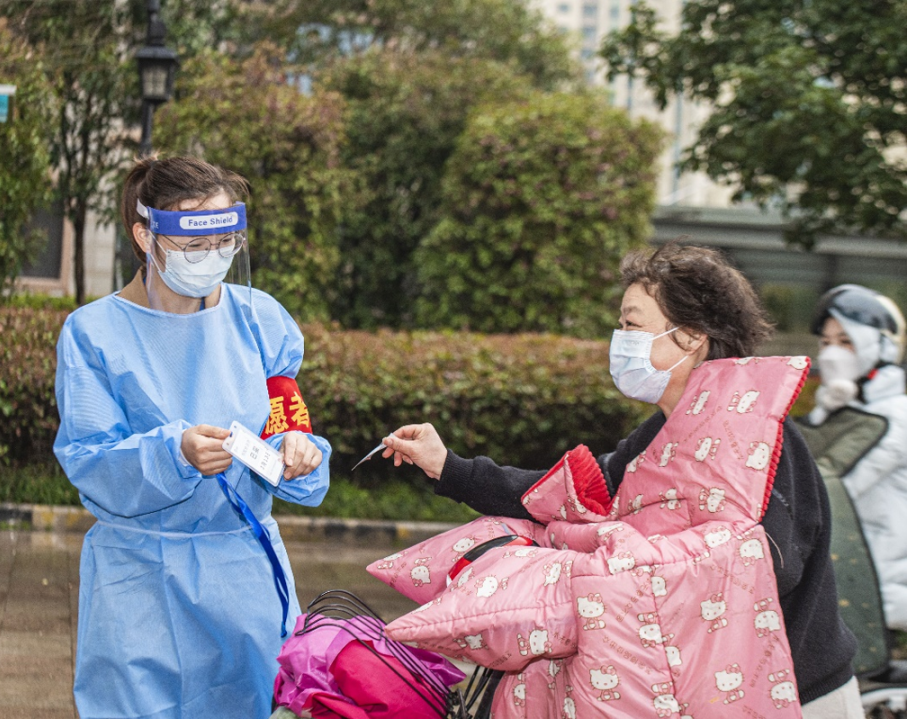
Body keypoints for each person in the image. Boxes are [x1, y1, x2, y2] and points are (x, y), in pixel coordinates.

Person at [381, 242, 863, 717]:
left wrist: (616, 569)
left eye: (633, 325)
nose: (620, 338)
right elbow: (571, 499)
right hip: (711, 692)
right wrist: (448, 466)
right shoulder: (659, 434)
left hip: (799, 693)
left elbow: (770, 564)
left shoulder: (757, 430)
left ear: (691, 335)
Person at [54, 155, 331, 719]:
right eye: (195, 244)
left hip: (244, 578)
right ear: (146, 235)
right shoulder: (93, 334)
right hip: (139, 582)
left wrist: (300, 452)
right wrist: (171, 453)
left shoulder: (260, 322)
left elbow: (288, 419)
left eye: (226, 242)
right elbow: (90, 460)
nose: (213, 257)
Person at [798, 285, 907, 632]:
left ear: (882, 347)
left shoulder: (894, 417)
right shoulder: (847, 410)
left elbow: (829, 486)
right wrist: (825, 410)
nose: (833, 353)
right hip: (849, 581)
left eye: (846, 342)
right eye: (826, 342)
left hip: (879, 586)